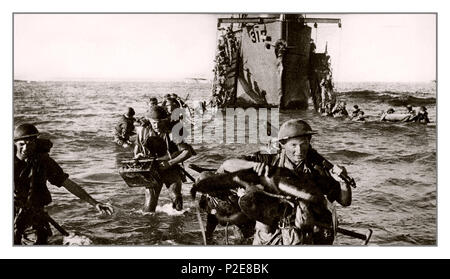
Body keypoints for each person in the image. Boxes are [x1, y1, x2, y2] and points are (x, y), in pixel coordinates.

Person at [217, 119, 352, 245]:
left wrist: (343, 183)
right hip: (268, 235)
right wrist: (251, 166)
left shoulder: (316, 170)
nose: (299, 151)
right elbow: (227, 165)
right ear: (282, 144)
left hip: (302, 236)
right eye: (293, 145)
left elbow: (344, 201)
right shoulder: (269, 161)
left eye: (304, 144)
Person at [14, 123, 114, 245]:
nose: (25, 148)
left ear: (35, 143)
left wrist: (94, 203)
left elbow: (67, 183)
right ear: (15, 144)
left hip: (34, 216)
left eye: (30, 144)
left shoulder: (44, 161)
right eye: (21, 144)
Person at [134, 106, 195, 212]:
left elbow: (187, 152)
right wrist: (138, 156)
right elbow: (137, 149)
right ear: (149, 121)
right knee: (149, 206)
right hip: (151, 169)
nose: (156, 125)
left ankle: (177, 225)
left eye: (159, 122)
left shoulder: (174, 131)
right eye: (153, 123)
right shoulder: (143, 131)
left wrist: (170, 163)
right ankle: (150, 226)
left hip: (171, 167)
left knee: (176, 199)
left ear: (165, 120)